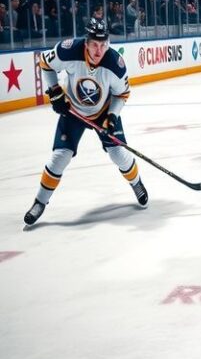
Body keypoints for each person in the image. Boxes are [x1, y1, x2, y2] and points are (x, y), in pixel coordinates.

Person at [23, 17, 148, 226]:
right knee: (60, 156)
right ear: (86, 42)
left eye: (103, 44)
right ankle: (39, 202)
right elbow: (45, 63)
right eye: (94, 45)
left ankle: (137, 183)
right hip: (73, 110)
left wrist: (112, 117)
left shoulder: (115, 64)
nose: (99, 51)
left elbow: (122, 94)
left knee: (119, 155)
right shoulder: (69, 50)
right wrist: (54, 91)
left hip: (103, 112)